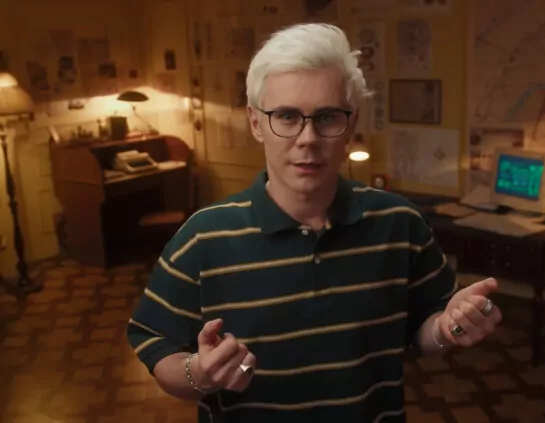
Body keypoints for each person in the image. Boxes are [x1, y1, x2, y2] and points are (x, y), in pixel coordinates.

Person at [127, 23, 502, 423]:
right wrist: (199, 374)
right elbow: (156, 345)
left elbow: (424, 330)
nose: (308, 138)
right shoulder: (202, 237)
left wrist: (447, 329)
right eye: (287, 116)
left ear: (351, 124)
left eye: (327, 117)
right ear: (255, 123)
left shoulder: (400, 224)